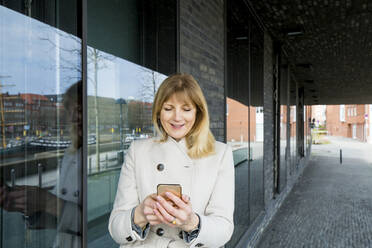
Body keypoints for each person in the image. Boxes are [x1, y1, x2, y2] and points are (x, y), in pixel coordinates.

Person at [108, 74, 235, 248]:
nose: (177, 117)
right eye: (168, 108)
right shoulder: (138, 151)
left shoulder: (220, 154)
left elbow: (224, 229)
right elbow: (115, 229)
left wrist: (192, 222)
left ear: (198, 113)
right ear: (159, 112)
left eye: (186, 109)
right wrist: (140, 215)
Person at [0, 81, 82, 248]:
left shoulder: (79, 154)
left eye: (79, 110)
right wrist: (27, 205)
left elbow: (95, 219)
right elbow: (59, 217)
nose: (73, 117)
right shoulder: (70, 153)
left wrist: (47, 201)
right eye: (70, 111)